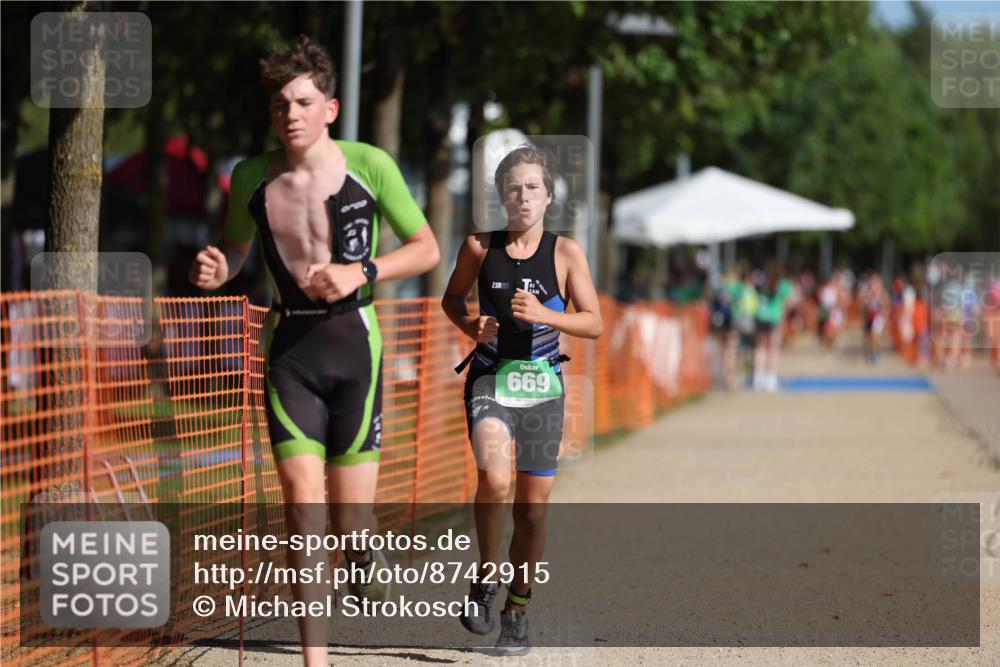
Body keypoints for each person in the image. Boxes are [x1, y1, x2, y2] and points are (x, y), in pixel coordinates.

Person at [188, 36, 439, 666]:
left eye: (303, 102)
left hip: (355, 344)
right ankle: (314, 661)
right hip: (289, 350)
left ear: (330, 108)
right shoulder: (250, 175)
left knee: (349, 521)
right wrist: (219, 270)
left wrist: (362, 271)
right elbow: (236, 252)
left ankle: (362, 549)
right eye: (280, 104)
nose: (290, 114)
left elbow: (427, 248)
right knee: (304, 509)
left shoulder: (370, 164)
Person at [441, 145, 602, 654]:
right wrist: (471, 325)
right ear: (501, 197)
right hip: (490, 378)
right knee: (494, 478)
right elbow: (451, 299)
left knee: (532, 511)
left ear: (549, 196)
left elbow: (594, 322)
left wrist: (546, 315)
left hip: (542, 388)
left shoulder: (566, 253)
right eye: (513, 188)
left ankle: (517, 607)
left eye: (533, 187)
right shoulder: (477, 247)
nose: (523, 196)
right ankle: (486, 578)